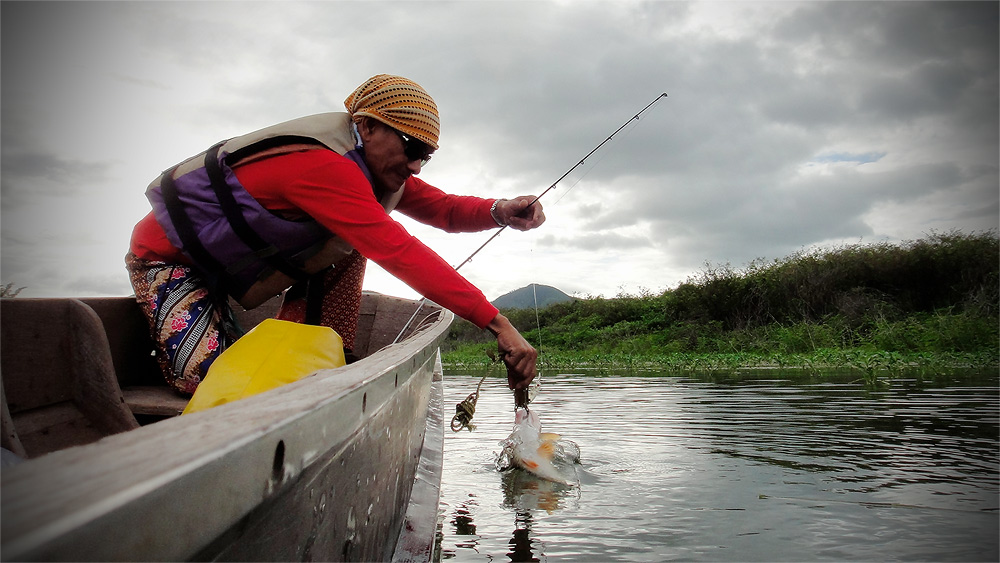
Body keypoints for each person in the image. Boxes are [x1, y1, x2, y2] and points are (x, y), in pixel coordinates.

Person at [126, 74, 544, 396]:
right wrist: (498, 323)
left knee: (345, 248)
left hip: (231, 272)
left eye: (427, 157)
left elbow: (445, 209)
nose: (417, 165)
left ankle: (318, 360)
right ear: (365, 127)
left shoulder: (376, 171)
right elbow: (397, 250)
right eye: (411, 148)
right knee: (206, 382)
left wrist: (500, 211)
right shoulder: (321, 166)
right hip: (170, 261)